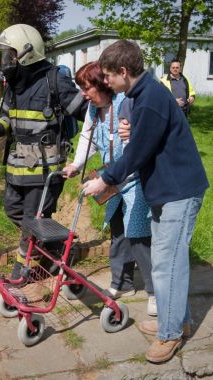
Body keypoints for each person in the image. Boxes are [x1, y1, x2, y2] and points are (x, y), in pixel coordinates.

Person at [84, 39, 208, 363]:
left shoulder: (150, 98)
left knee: (168, 265)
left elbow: (137, 153)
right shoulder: (143, 96)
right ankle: (176, 320)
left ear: (123, 71)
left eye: (109, 75)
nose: (106, 82)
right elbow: (146, 140)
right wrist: (132, 130)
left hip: (179, 192)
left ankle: (170, 335)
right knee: (166, 262)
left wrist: (105, 179)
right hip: (166, 191)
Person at [0, 24, 88, 278]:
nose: (7, 60)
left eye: (10, 53)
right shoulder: (14, 83)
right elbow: (5, 122)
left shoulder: (54, 78)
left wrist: (115, 116)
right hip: (18, 165)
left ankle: (22, 267)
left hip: (45, 166)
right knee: (13, 211)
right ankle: (56, 247)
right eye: (6, 54)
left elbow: (86, 113)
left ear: (27, 52)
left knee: (33, 218)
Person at [63, 62, 156, 316]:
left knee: (137, 235)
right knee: (117, 231)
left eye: (86, 87)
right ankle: (122, 283)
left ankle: (154, 291)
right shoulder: (93, 109)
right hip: (113, 177)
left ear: (101, 85)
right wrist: (75, 164)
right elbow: (87, 138)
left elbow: (138, 143)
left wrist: (108, 178)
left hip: (134, 177)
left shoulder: (126, 103)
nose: (83, 93)